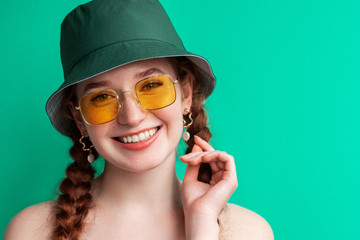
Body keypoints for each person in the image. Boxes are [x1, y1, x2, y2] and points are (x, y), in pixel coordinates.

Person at [4, 0, 273, 239]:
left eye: (152, 86)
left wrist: (201, 227)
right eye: (101, 98)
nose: (131, 117)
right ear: (79, 118)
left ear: (186, 93)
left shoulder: (248, 232)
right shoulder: (30, 232)